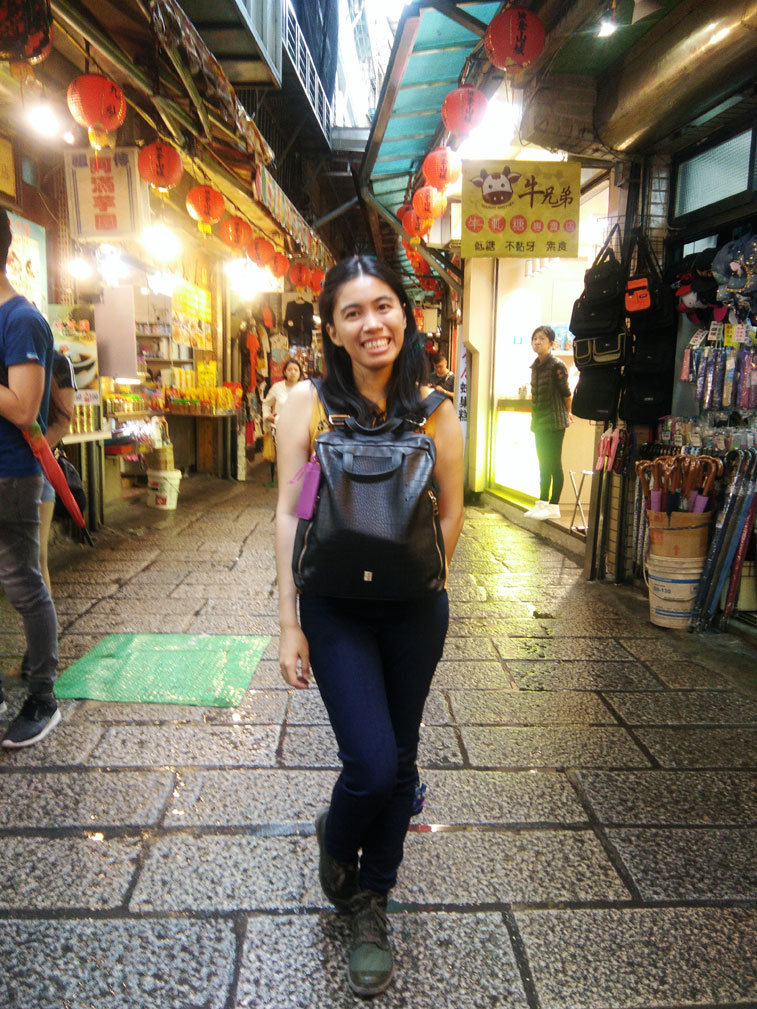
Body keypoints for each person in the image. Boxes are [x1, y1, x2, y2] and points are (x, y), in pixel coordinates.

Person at [275, 256, 463, 998]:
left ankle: (370, 901)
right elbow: (294, 512)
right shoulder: (311, 407)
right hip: (335, 607)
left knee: (403, 758)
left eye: (382, 306)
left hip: (415, 610)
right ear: (332, 328)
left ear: (405, 315)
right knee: (371, 762)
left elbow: (451, 508)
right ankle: (338, 837)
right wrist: (288, 619)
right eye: (352, 312)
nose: (371, 323)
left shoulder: (436, 408)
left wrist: (416, 574)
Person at [0, 207, 61, 747]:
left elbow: (24, 408)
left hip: (11, 475)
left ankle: (43, 694)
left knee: (23, 583)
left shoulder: (21, 318)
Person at [524, 325, 572, 520]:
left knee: (553, 463)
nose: (537, 342)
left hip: (555, 422)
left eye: (542, 339)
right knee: (543, 463)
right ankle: (542, 502)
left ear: (551, 343)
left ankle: (554, 505)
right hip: (540, 422)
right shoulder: (536, 366)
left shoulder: (556, 365)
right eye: (535, 338)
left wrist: (568, 413)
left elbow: (567, 393)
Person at [261, 357, 304, 485]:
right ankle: (286, 483)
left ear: (300, 372)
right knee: (284, 458)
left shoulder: (305, 388)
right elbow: (266, 404)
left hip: (299, 429)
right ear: (284, 372)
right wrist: (267, 416)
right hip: (280, 428)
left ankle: (296, 482)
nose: (292, 372)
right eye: (290, 369)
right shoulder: (277, 387)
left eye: (296, 370)